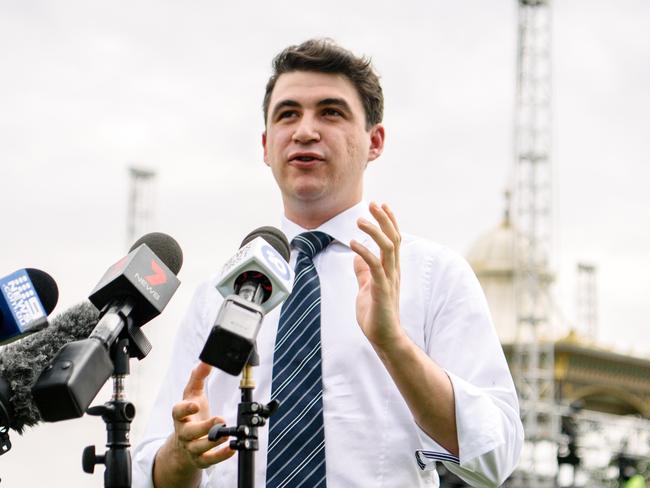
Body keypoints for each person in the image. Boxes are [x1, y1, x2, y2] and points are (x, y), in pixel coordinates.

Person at [133, 38, 523, 487]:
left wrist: (393, 344)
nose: (304, 131)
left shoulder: (434, 275)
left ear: (374, 141)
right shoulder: (217, 293)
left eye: (331, 112)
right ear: (265, 145)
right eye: (287, 114)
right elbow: (149, 474)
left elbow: (495, 457)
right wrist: (181, 453)